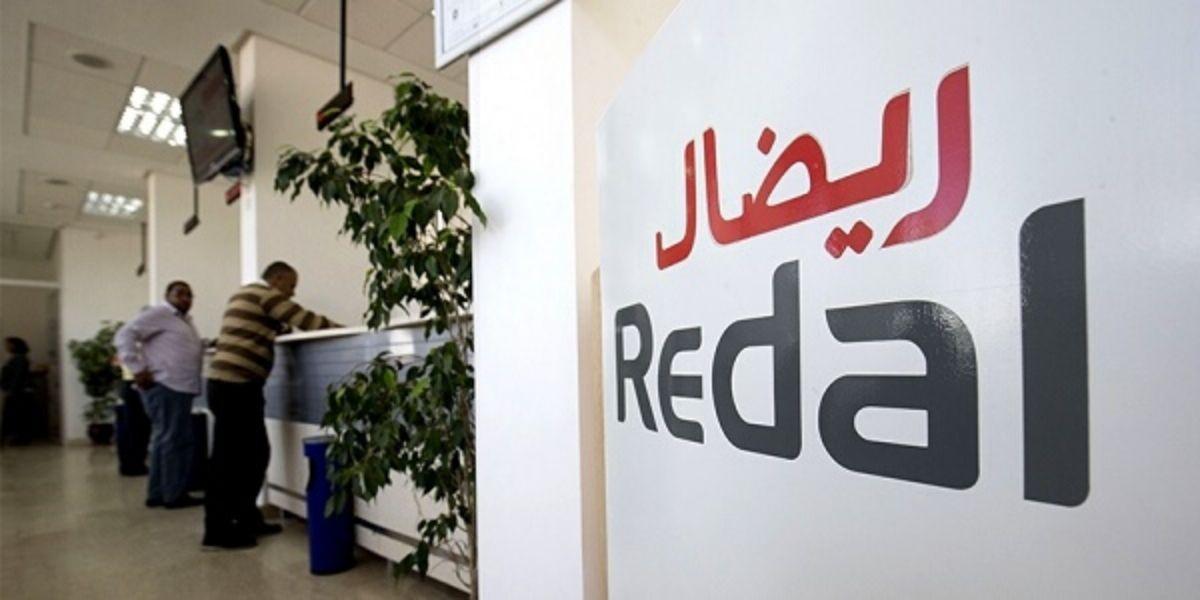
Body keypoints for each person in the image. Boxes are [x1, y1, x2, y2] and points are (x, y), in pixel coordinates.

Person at [203, 261, 341, 549]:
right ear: (277, 279)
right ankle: (218, 530)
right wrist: (351, 331)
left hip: (232, 385)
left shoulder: (246, 295)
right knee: (232, 460)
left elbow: (281, 326)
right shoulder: (265, 295)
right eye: (291, 286)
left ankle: (246, 518)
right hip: (235, 386)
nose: (292, 293)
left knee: (251, 455)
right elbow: (307, 320)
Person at [115, 281, 205, 509]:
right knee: (175, 441)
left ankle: (158, 493)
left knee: (166, 439)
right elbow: (124, 334)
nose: (185, 299)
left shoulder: (183, 321)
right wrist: (137, 369)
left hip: (179, 386)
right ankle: (174, 495)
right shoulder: (160, 313)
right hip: (167, 385)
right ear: (167, 296)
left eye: (189, 295)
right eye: (179, 294)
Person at [115, 358, 151, 476]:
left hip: (132, 379)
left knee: (133, 426)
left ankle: (131, 464)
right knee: (137, 427)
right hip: (137, 379)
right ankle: (134, 465)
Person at [1, 337, 33, 446]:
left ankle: (17, 438)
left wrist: (11, 390)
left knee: (15, 415)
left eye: (8, 344)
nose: (6, 347)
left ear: (14, 345)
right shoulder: (17, 358)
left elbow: (17, 377)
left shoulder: (20, 359)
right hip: (16, 391)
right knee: (15, 415)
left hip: (17, 392)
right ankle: (15, 437)